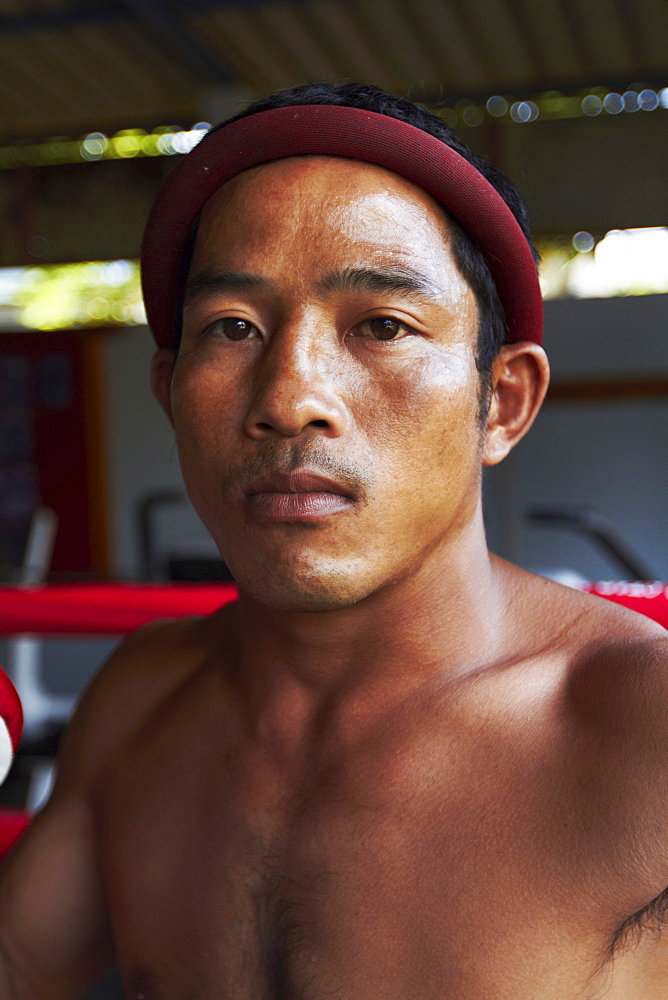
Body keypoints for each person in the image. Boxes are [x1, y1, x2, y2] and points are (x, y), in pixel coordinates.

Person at [1, 82, 667, 1000]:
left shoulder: (641, 733)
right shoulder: (140, 705)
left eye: (382, 326)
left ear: (501, 402)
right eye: (232, 328)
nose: (287, 398)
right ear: (169, 391)